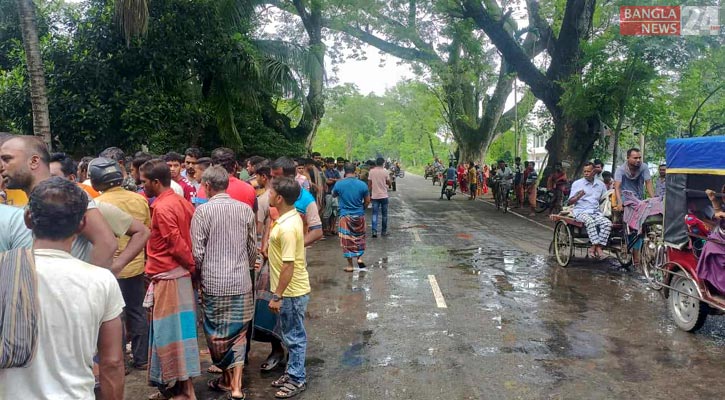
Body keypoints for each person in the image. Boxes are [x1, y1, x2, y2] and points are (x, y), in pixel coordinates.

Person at [0, 177, 125, 400]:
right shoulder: (102, 281)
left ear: (28, 219)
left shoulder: (5, 268)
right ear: (82, 224)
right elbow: (112, 363)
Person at [0, 136, 118, 267]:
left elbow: (106, 243)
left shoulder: (67, 195)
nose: (1, 166)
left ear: (34, 161)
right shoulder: (32, 201)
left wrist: (87, 283)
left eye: (6, 159)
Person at [191, 166, 257, 400]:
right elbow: (252, 249)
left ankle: (227, 379)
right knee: (239, 334)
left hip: (214, 283)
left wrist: (197, 277)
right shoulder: (245, 210)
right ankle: (235, 386)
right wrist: (245, 266)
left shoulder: (202, 212)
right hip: (241, 281)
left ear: (207, 186)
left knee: (216, 335)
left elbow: (197, 253)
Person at [139, 159, 200, 399]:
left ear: (156, 182)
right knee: (179, 334)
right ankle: (176, 387)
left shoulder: (163, 208)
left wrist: (191, 266)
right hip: (178, 276)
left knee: (170, 336)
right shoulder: (181, 202)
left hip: (171, 278)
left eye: (144, 181)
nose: (141, 185)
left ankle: (185, 391)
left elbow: (176, 244)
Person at [90, 157, 152, 370]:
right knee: (137, 311)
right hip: (135, 265)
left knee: (113, 316)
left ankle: (120, 362)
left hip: (110, 269)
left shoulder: (98, 205)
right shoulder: (140, 199)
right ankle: (142, 358)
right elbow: (146, 229)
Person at [267, 177, 310, 398]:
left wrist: (278, 295)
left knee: (295, 336)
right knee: (289, 334)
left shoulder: (288, 227)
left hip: (291, 291)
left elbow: (288, 265)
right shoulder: (287, 219)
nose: (268, 194)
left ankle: (297, 378)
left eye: (270, 191)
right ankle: (292, 371)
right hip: (289, 290)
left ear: (280, 197)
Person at [568, 162, 611, 259]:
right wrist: (578, 196)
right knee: (590, 222)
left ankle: (594, 247)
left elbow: (604, 200)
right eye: (585, 171)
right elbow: (569, 202)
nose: (586, 173)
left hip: (595, 212)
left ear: (594, 172)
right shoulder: (577, 184)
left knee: (607, 223)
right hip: (580, 211)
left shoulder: (601, 185)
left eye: (589, 171)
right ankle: (598, 249)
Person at [333, 163, 371, 272]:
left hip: (345, 215)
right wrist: (362, 208)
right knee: (359, 237)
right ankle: (359, 258)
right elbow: (367, 200)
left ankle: (350, 265)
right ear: (355, 171)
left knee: (346, 240)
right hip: (359, 215)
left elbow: (334, 195)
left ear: (345, 171)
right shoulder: (362, 185)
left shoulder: (339, 184)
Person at [368, 157, 390, 238]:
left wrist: (368, 194)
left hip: (375, 196)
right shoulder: (385, 172)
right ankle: (383, 232)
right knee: (384, 215)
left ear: (376, 163)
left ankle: (374, 231)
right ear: (383, 163)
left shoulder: (371, 171)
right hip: (384, 196)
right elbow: (389, 182)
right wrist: (387, 184)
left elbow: (369, 184)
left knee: (374, 214)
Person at [323, 157, 341, 236]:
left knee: (335, 212)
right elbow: (327, 181)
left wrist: (332, 179)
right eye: (330, 163)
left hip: (336, 194)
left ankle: (333, 228)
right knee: (327, 212)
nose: (331, 165)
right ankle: (326, 229)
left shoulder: (336, 172)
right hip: (328, 193)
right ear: (326, 164)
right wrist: (335, 180)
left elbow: (340, 180)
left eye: (332, 163)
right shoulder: (324, 172)